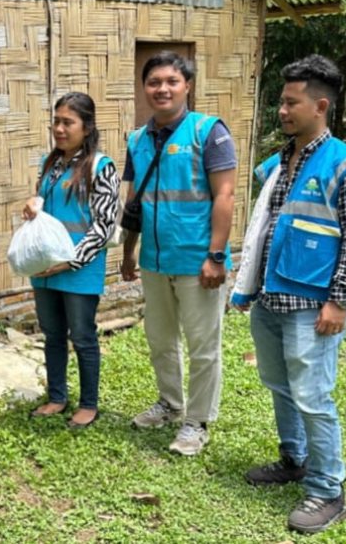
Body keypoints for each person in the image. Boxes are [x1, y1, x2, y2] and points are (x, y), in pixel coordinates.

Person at [231, 55, 346, 535]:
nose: (281, 110)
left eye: (290, 102)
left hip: (313, 304)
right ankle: (294, 459)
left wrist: (341, 300)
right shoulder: (281, 161)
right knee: (279, 386)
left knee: (313, 396)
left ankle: (328, 488)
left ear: (320, 105)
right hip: (271, 297)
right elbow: (265, 228)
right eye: (281, 101)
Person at [120, 51, 237, 457]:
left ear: (187, 85)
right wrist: (128, 252)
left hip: (197, 260)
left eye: (171, 81)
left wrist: (216, 257)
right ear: (145, 88)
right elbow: (134, 203)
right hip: (154, 259)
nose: (162, 88)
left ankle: (197, 422)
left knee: (203, 346)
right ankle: (170, 404)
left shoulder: (209, 132)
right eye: (154, 82)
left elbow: (225, 194)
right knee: (160, 340)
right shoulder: (136, 139)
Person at [22, 92, 120, 429]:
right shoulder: (49, 164)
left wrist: (71, 261)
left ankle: (88, 404)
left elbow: (105, 225)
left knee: (82, 336)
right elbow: (44, 207)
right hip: (45, 269)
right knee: (51, 335)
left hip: (79, 269)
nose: (59, 128)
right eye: (56, 121)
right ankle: (56, 396)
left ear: (87, 126)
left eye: (68, 122)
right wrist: (32, 205)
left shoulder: (100, 167)